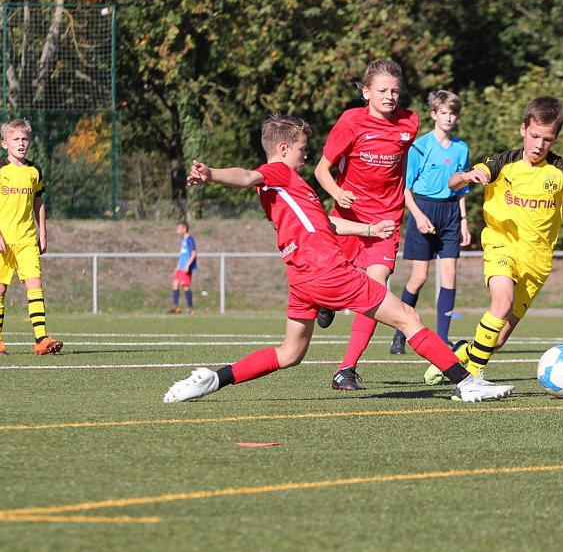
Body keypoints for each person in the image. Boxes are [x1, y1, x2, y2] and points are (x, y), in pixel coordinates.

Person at [163, 114, 512, 404]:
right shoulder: (279, 173)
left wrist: (369, 230)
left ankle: (213, 379)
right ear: (283, 149)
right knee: (408, 317)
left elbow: (326, 224)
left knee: (290, 354)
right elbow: (246, 175)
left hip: (302, 280)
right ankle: (467, 383)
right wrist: (212, 174)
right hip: (328, 271)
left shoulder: (285, 190)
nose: (305, 155)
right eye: (302, 148)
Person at [424, 96, 563, 385]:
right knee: (502, 300)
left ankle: (459, 354)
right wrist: (467, 176)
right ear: (523, 129)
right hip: (501, 245)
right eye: (534, 136)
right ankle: (472, 379)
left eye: (547, 139)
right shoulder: (502, 162)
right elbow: (452, 183)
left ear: (555, 138)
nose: (539, 145)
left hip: (537, 263)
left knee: (497, 340)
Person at [313, 60, 419, 390]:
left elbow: (401, 159)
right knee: (334, 283)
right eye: (382, 90)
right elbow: (321, 170)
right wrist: (337, 194)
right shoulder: (350, 122)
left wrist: (400, 195)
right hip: (349, 220)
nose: (390, 97)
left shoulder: (410, 123)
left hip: (386, 221)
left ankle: (345, 369)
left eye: (395, 91)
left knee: (374, 290)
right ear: (366, 92)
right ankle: (328, 302)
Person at [389, 90, 471, 355]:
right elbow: (405, 189)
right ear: (434, 114)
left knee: (449, 275)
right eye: (443, 113)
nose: (448, 118)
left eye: (453, 113)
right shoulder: (419, 146)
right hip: (423, 209)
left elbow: (461, 189)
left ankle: (443, 338)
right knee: (419, 277)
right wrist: (418, 215)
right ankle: (399, 335)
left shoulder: (461, 148)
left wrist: (464, 221)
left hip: (450, 213)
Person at [0, 118, 63, 356]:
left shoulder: (34, 171)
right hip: (2, 241)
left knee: (35, 283)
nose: (21, 143)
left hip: (26, 240)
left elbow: (39, 202)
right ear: (4, 143)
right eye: (15, 139)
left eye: (25, 138)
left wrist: (42, 232)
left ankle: (41, 339)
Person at [169, 221, 197, 314]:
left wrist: (187, 265)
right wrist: (177, 267)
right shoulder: (183, 240)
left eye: (178, 229)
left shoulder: (189, 239)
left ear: (184, 229)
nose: (177, 231)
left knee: (185, 286)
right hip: (180, 267)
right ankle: (175, 306)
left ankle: (190, 308)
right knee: (175, 284)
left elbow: (193, 253)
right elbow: (182, 255)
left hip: (185, 267)